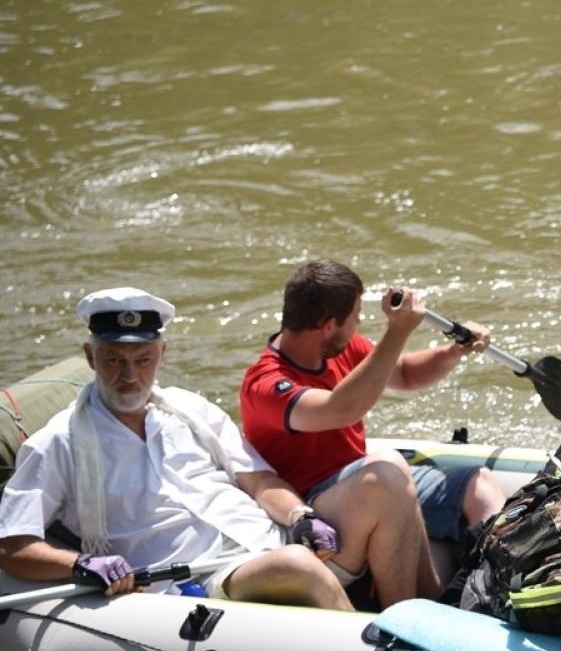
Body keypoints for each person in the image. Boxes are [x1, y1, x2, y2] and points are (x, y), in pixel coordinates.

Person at [0, 288, 353, 609]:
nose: (130, 376)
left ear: (162, 354)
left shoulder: (190, 410)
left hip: (269, 540)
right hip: (202, 579)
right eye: (114, 360)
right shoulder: (58, 442)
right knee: (298, 565)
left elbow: (258, 480)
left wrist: (300, 516)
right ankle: (370, 647)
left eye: (143, 360)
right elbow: (12, 545)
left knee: (376, 487)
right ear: (91, 357)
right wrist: (80, 564)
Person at [239, 260, 507, 607]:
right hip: (315, 506)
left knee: (479, 486)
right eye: (356, 315)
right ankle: (405, 618)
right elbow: (339, 409)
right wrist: (397, 331)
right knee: (386, 472)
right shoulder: (265, 385)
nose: (360, 322)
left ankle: (503, 589)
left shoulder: (342, 346)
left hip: (361, 479)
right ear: (328, 325)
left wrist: (454, 351)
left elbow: (405, 374)